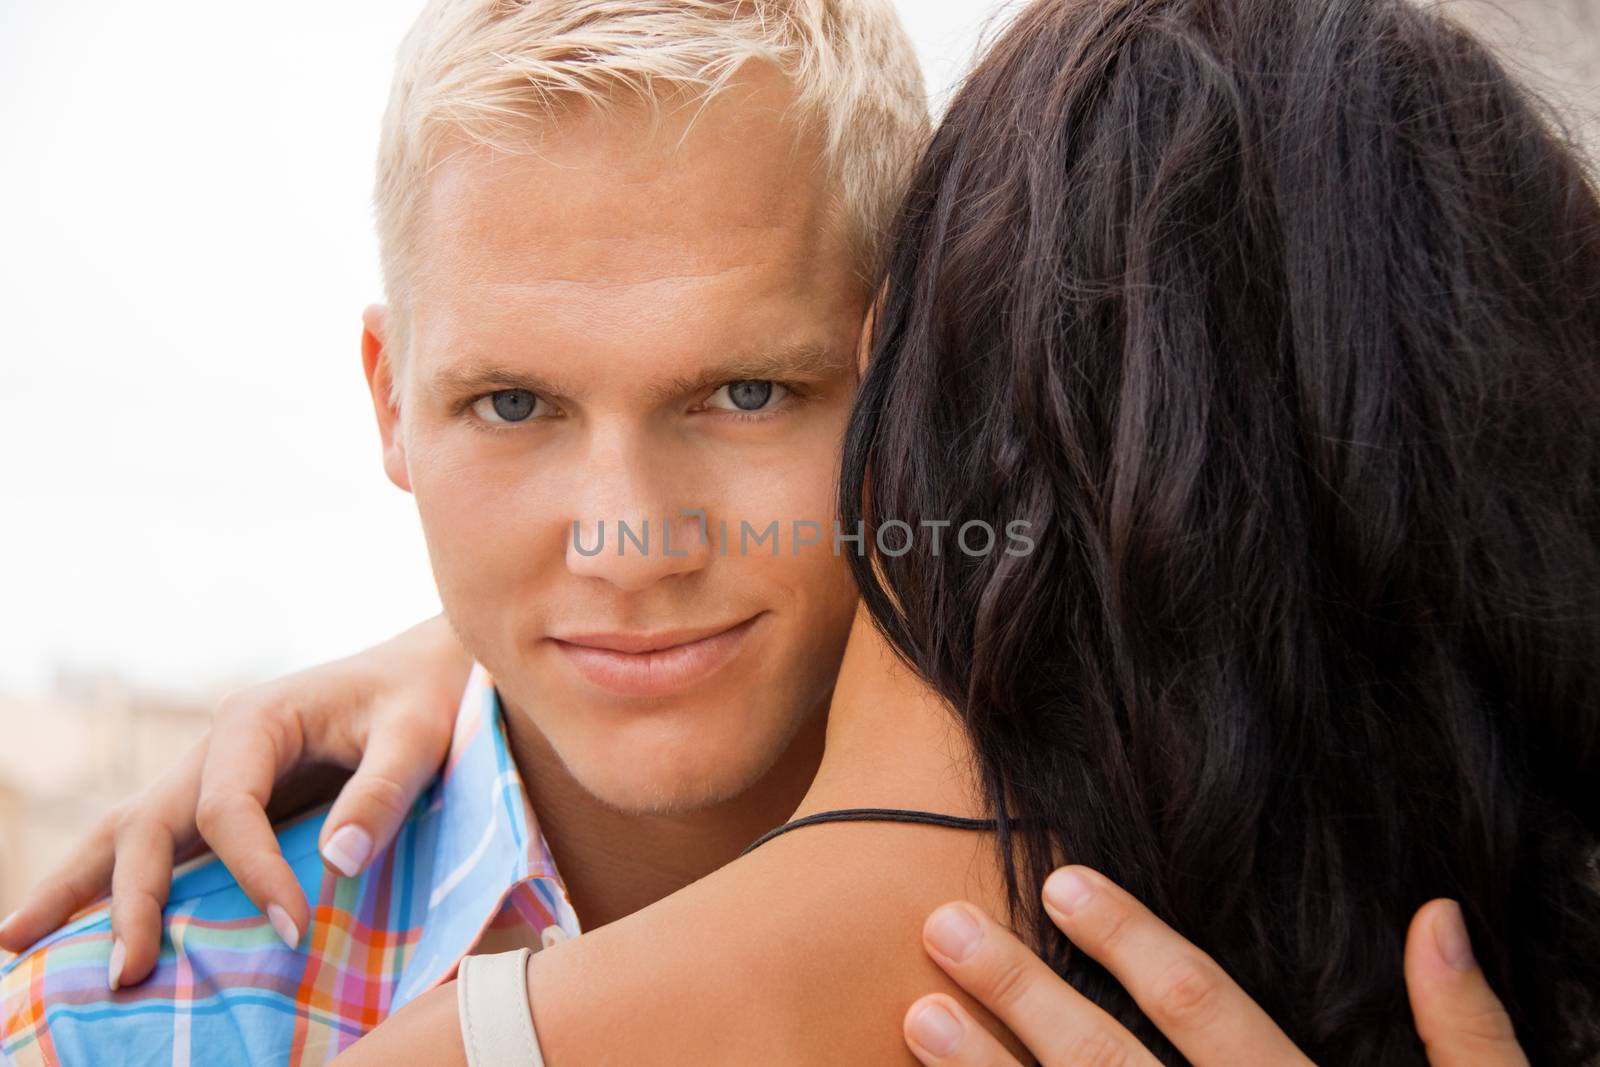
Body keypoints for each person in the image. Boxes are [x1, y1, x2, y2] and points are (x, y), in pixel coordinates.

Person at [2, 0, 1579, 1063]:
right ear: (387, 399)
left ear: (914, 378)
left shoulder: (1231, 923)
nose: (628, 542)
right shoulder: (123, 1016)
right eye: (512, 406)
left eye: (748, 390)